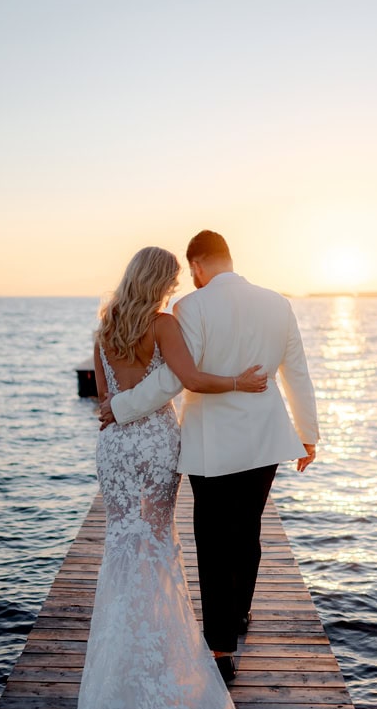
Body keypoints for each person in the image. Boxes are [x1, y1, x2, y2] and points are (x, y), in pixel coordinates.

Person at [35, 246, 283, 709]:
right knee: (157, 548)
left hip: (116, 448)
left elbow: (105, 400)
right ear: (162, 280)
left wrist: (120, 407)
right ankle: (161, 666)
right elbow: (189, 379)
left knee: (124, 547)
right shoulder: (162, 322)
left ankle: (119, 674)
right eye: (172, 278)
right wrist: (240, 384)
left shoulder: (106, 326)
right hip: (153, 445)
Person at [102, 230, 319, 685]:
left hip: (211, 446)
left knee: (214, 543)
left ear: (198, 264)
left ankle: (221, 649)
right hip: (265, 440)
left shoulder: (190, 309)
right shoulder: (278, 303)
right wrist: (308, 434)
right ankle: (238, 616)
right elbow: (295, 371)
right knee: (248, 533)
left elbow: (177, 380)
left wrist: (120, 408)